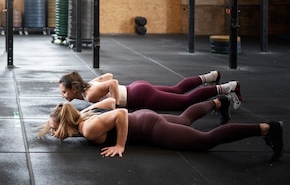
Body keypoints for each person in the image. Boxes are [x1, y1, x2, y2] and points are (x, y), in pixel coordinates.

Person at [38, 96, 284, 162]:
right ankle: (220, 103)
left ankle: (267, 129)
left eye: (54, 128)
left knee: (205, 141)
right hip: (145, 118)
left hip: (150, 129)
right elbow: (111, 104)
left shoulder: (89, 128)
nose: (53, 133)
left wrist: (120, 144)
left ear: (66, 124)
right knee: (186, 119)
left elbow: (120, 112)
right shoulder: (79, 119)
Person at [58, 70, 243, 111]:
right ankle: (210, 76)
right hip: (136, 88)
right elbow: (106, 76)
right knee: (177, 89)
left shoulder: (89, 93)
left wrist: (113, 102)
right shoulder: (87, 88)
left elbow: (112, 81)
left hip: (140, 96)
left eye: (64, 92)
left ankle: (229, 87)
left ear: (74, 89)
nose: (63, 95)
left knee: (185, 102)